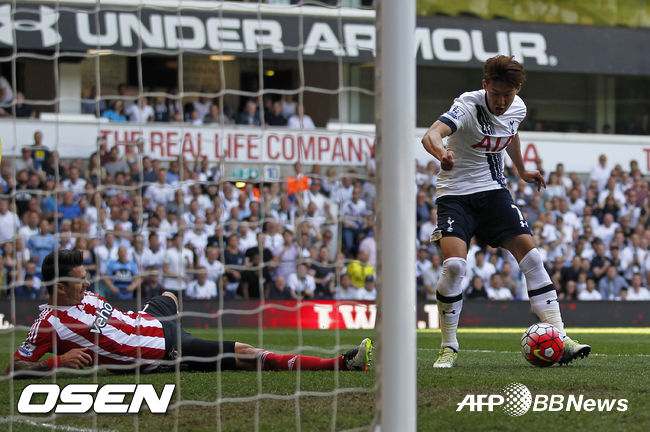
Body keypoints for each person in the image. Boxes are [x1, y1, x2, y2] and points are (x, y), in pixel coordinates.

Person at [421, 55, 590, 368]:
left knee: (533, 257)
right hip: (455, 195)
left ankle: (561, 337)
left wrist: (522, 170)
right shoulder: (468, 106)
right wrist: (441, 152)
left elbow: (510, 133)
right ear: (485, 85)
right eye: (496, 93)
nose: (501, 102)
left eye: (507, 95)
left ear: (518, 90)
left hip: (493, 191)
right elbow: (430, 134)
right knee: (455, 266)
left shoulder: (518, 108)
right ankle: (449, 346)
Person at [5, 250, 373, 376]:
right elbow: (11, 370)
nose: (87, 283)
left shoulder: (83, 296)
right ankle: (340, 364)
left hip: (151, 321)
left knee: (168, 295)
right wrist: (57, 362)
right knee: (246, 354)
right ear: (59, 287)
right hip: (166, 350)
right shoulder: (48, 324)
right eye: (80, 280)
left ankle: (164, 314)